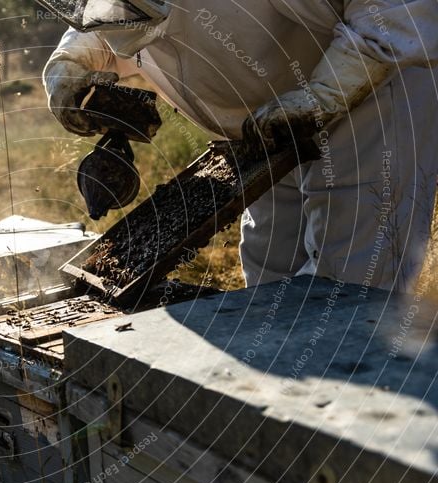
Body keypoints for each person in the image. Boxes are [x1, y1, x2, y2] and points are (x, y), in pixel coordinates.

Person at [39, 0, 438, 292]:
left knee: (349, 283)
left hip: (370, 106)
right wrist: (69, 63)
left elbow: (398, 12)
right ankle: (269, 397)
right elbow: (112, 14)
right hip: (259, 130)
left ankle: (348, 400)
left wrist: (325, 94)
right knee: (269, 272)